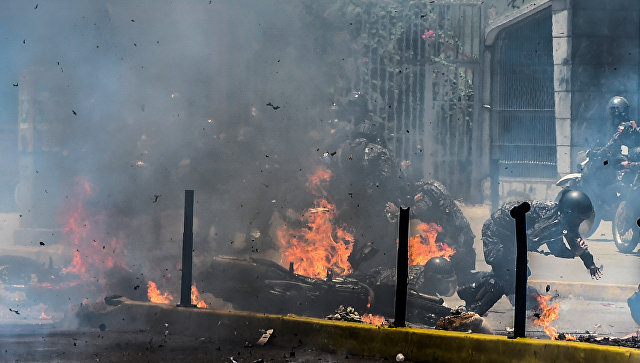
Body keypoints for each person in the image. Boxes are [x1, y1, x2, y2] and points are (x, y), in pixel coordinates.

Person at [458, 190, 602, 315]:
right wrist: (573, 253)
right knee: (507, 276)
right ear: (570, 214)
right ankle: (475, 311)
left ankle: (470, 290)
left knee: (515, 275)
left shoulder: (563, 218)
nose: (582, 222)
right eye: (580, 219)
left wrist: (590, 263)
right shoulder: (552, 222)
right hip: (497, 234)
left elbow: (574, 238)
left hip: (513, 239)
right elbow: (543, 245)